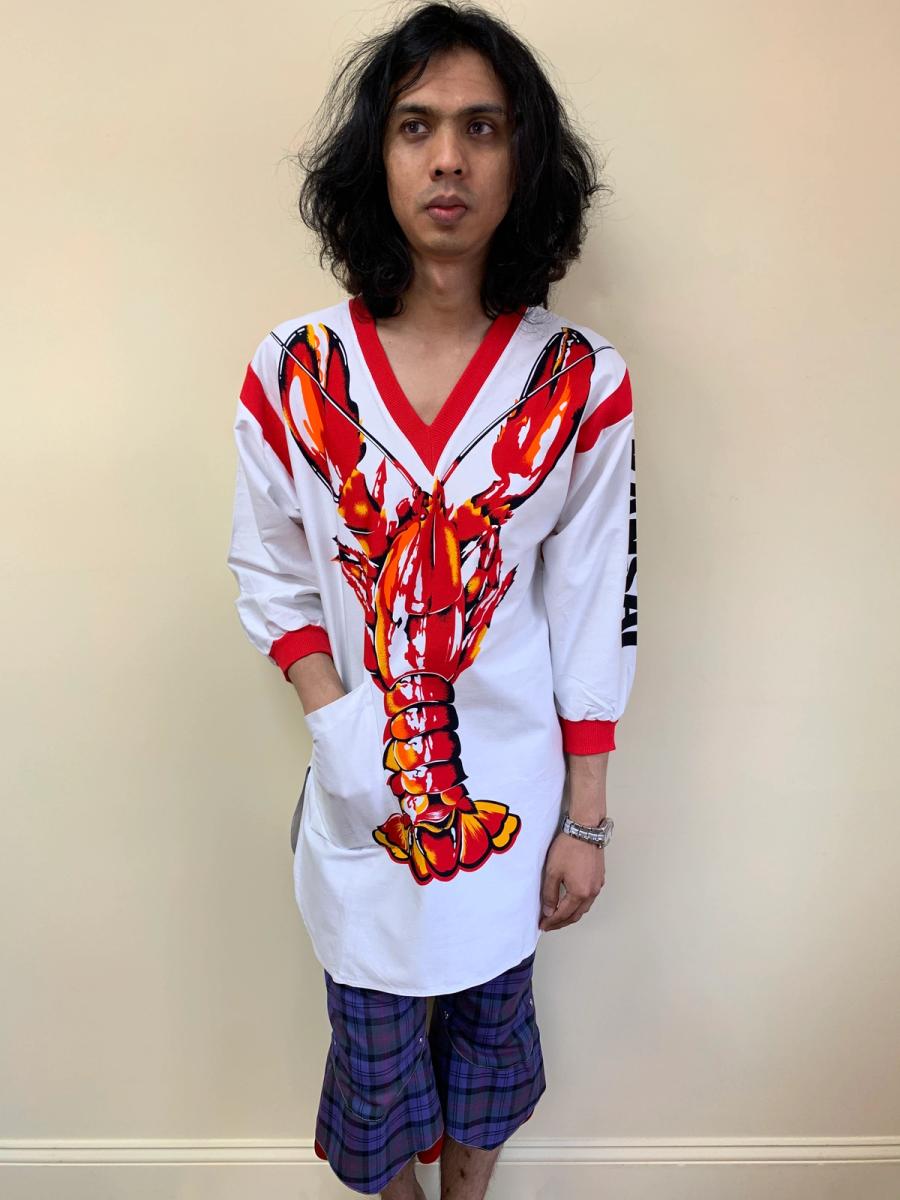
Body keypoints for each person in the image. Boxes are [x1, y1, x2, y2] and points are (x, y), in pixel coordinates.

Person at [226, 3, 638, 1196]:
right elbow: (270, 564)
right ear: (378, 155)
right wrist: (338, 720)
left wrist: (586, 816)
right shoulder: (292, 368)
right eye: (416, 126)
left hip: (511, 790)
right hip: (360, 787)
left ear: (523, 160)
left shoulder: (582, 380)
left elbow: (592, 600)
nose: (448, 157)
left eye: (481, 128)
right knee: (372, 1056)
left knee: (491, 1050)